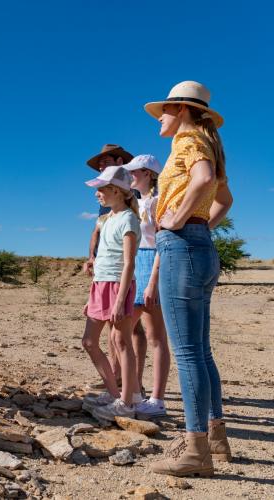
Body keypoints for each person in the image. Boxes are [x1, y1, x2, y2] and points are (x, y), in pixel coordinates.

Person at [144, 81, 234, 477]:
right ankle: (215, 437)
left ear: (180, 110)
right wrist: (201, 227)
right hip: (199, 246)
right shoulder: (208, 139)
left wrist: (177, 221)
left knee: (188, 353)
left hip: (182, 246)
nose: (159, 118)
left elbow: (202, 178)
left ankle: (196, 450)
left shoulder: (187, 140)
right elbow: (223, 198)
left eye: (164, 110)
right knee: (201, 350)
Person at [80, 165, 142, 421]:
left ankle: (126, 402)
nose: (97, 194)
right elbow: (104, 256)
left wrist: (119, 300)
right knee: (89, 341)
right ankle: (114, 392)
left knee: (121, 342)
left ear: (116, 191)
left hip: (118, 286)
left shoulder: (128, 219)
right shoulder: (108, 219)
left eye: (101, 189)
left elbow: (129, 263)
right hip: (101, 284)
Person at [123, 154, 170, 418]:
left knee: (155, 336)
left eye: (135, 171)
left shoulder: (158, 203)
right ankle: (133, 392)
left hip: (152, 262)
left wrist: (153, 280)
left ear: (149, 174)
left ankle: (157, 399)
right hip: (134, 263)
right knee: (124, 331)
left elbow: (163, 243)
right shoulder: (134, 203)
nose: (130, 175)